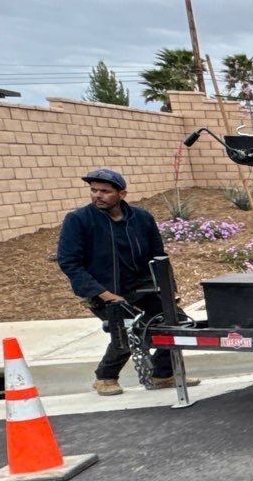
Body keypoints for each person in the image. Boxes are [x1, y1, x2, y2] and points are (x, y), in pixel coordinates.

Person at [55, 167, 193, 395]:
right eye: (93, 190)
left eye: (105, 191)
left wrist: (169, 289)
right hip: (106, 291)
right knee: (129, 330)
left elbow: (159, 257)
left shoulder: (142, 218)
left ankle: (162, 375)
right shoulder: (78, 220)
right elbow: (69, 262)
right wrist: (104, 294)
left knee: (176, 321)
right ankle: (105, 377)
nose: (97, 195)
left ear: (122, 194)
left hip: (144, 286)